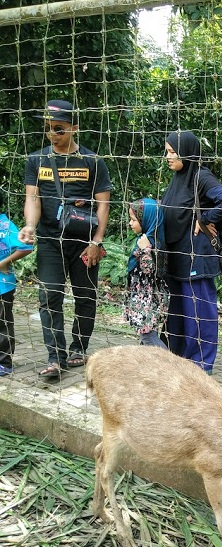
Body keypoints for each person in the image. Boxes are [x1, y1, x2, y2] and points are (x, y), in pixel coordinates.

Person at [20, 99, 112, 379]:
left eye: (59, 129)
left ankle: (78, 349)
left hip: (83, 243)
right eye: (48, 129)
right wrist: (30, 226)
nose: (53, 135)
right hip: (49, 241)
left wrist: (96, 241)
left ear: (74, 128)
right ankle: (54, 358)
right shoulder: (37, 160)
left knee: (85, 298)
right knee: (49, 297)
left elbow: (103, 205)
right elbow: (32, 197)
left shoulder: (93, 162)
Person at [161, 131, 222, 374]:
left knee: (199, 312)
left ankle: (201, 364)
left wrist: (204, 218)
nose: (168, 157)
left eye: (173, 152)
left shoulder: (200, 177)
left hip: (197, 258)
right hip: (176, 256)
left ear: (188, 152)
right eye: (167, 151)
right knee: (178, 311)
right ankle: (179, 359)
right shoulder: (177, 178)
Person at [123, 198, 169, 349]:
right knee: (146, 337)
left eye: (134, 219)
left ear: (146, 219)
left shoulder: (150, 242)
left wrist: (145, 250)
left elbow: (149, 269)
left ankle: (169, 366)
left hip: (148, 302)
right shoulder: (147, 238)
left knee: (148, 337)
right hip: (144, 300)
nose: (130, 223)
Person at [0, 207, 34, 376]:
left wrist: (3, 263)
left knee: (3, 324)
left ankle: (4, 363)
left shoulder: (5, 225)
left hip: (3, 285)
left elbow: (26, 247)